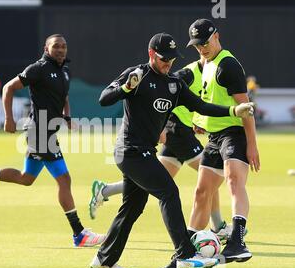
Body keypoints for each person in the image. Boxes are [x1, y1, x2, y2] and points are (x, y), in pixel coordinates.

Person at [89, 32, 255, 268]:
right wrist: (126, 87)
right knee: (169, 192)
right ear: (151, 54)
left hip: (145, 151)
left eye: (172, 59)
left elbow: (201, 106)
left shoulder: (174, 84)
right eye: (163, 58)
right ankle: (185, 255)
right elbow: (104, 99)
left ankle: (104, 259)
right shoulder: (136, 74)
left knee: (133, 206)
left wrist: (234, 110)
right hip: (130, 152)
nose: (168, 63)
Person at [0, 34, 106, 248]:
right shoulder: (38, 69)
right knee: (64, 179)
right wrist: (8, 118)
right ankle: (79, 234)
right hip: (39, 132)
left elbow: (64, 97)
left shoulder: (65, 71)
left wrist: (68, 118)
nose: (61, 50)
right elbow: (8, 88)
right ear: (46, 48)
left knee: (26, 178)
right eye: (56, 46)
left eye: (64, 46)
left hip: (49, 132)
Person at [88, 56, 235, 243]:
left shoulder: (210, 74)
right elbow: (162, 94)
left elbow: (198, 106)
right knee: (208, 172)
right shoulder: (187, 74)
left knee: (150, 183)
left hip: (182, 130)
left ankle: (105, 192)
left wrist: (202, 120)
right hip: (176, 130)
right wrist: (164, 126)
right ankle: (216, 228)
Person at [187, 18, 260, 263]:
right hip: (214, 136)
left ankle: (238, 242)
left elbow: (245, 107)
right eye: (197, 45)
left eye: (205, 43)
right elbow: (208, 98)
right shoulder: (206, 63)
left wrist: (252, 144)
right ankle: (187, 248)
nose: (202, 48)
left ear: (216, 36)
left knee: (233, 180)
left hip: (234, 133)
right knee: (201, 192)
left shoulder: (227, 65)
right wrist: (200, 120)